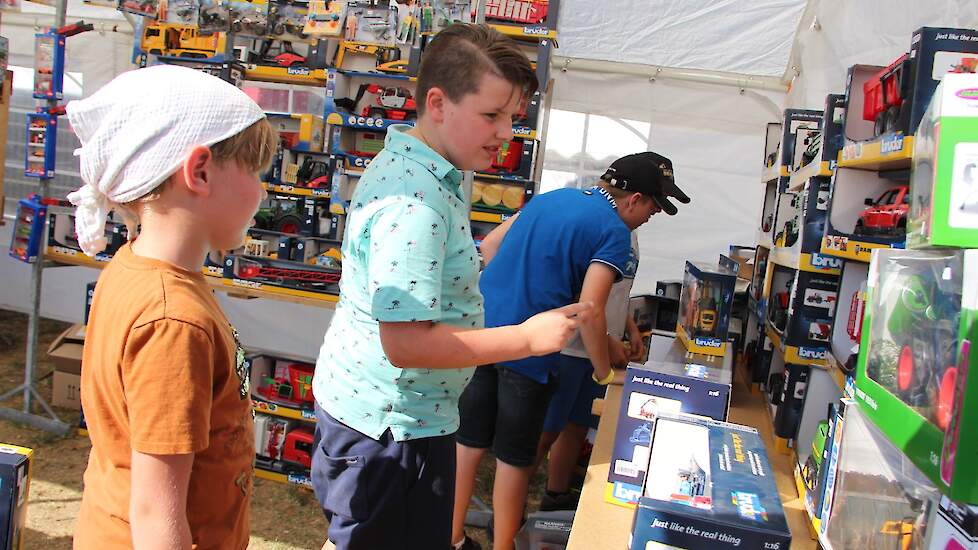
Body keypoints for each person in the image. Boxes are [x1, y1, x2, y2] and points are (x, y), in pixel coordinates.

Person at [310, 23, 591, 550]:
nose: (507, 131)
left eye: (512, 117)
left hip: (382, 417)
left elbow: (428, 275)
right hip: (392, 431)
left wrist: (493, 243)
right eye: (492, 115)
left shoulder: (424, 171)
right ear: (438, 103)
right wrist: (527, 340)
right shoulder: (416, 201)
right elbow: (407, 343)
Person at [70, 65, 277, 550]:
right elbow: (155, 518)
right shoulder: (173, 321)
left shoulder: (135, 270)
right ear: (200, 171)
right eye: (254, 171)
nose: (262, 191)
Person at [453, 152, 689, 550]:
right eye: (652, 208)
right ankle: (503, 546)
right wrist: (603, 372)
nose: (650, 218)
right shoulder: (612, 231)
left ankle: (453, 538)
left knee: (468, 444)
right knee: (515, 461)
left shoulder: (550, 198)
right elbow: (592, 311)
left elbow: (490, 245)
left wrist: (515, 292)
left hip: (483, 334)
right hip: (528, 352)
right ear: (633, 200)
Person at [535, 228, 645, 512]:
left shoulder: (631, 234)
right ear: (635, 198)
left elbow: (615, 291)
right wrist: (608, 340)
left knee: (577, 424)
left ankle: (555, 494)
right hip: (571, 347)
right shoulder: (599, 229)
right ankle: (513, 498)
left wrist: (630, 327)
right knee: (546, 430)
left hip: (596, 350)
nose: (653, 212)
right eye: (652, 204)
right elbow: (580, 295)